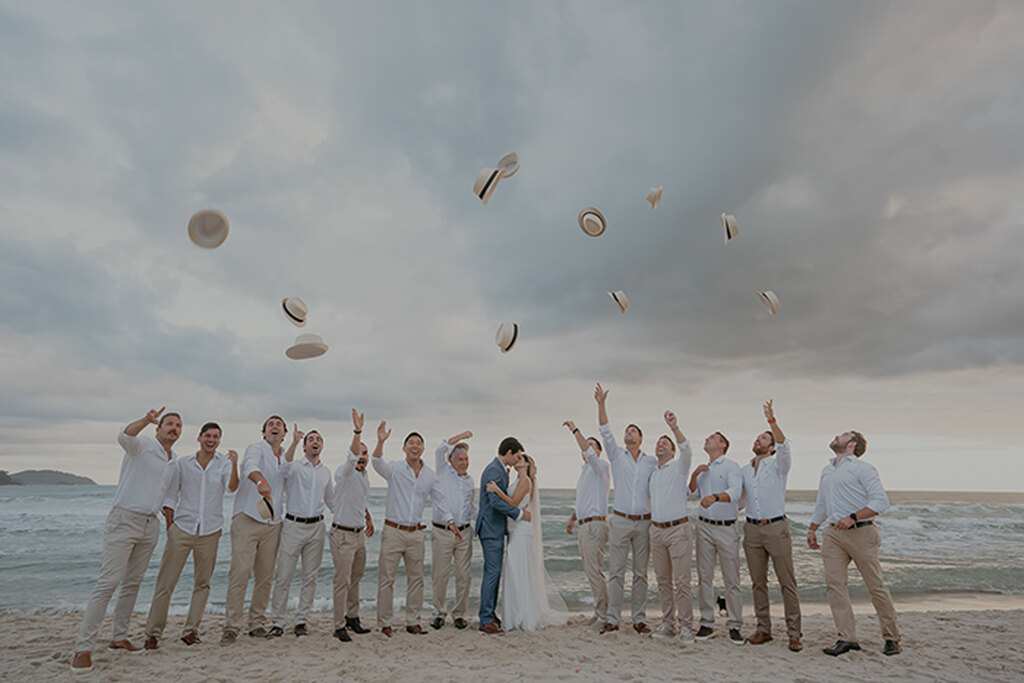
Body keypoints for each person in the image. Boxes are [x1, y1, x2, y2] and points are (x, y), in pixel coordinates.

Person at [72, 407, 180, 673]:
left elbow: (166, 495)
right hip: (125, 519)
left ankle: (119, 638)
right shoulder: (142, 444)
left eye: (178, 426)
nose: (174, 428)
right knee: (108, 582)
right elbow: (124, 435)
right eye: (169, 424)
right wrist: (145, 419)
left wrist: (169, 525)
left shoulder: (173, 459)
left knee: (133, 583)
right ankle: (82, 649)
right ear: (158, 428)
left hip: (149, 524)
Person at [143, 422, 239, 649]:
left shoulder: (224, 464)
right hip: (182, 529)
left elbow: (232, 487)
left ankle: (191, 631)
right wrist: (171, 526)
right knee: (166, 582)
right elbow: (170, 496)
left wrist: (235, 463)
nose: (211, 440)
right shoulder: (182, 463)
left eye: (216, 437)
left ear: (219, 440)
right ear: (199, 437)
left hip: (210, 531)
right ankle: (153, 633)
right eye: (208, 436)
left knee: (203, 584)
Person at [807, 431, 901, 657]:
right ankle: (846, 638)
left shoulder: (863, 468)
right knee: (835, 586)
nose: (836, 436)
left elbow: (881, 501)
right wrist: (812, 528)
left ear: (851, 444)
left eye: (842, 435)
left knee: (875, 585)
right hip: (832, 534)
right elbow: (822, 502)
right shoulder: (827, 469)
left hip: (861, 532)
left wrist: (853, 517)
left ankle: (892, 638)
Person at [221, 416, 292, 643]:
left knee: (265, 577)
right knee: (241, 572)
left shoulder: (287, 459)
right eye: (270, 425)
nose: (274, 427)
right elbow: (249, 466)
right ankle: (232, 626)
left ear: (284, 434)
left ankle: (256, 624)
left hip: (273, 524)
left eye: (278, 425)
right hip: (247, 519)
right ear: (264, 433)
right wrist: (260, 481)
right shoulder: (256, 448)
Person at [739, 401, 803, 651]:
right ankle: (763, 629)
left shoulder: (779, 465)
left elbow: (785, 446)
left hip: (776, 528)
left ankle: (794, 633)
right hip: (751, 529)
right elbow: (740, 501)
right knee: (758, 582)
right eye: (757, 438)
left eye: (764, 438)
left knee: (787, 581)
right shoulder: (745, 470)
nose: (759, 440)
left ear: (772, 447)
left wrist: (771, 421)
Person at [594, 382, 657, 634]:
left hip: (644, 521)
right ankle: (612, 619)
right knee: (616, 572)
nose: (629, 432)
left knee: (641, 573)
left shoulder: (650, 461)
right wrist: (601, 403)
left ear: (640, 438)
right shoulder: (617, 455)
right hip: (620, 520)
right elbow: (604, 431)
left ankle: (639, 619)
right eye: (627, 430)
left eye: (633, 430)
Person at [486, 453, 568, 630]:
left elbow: (514, 502)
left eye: (520, 460)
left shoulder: (526, 481)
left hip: (522, 531)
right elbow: (515, 504)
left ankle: (522, 615)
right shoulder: (516, 480)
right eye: (516, 458)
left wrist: (497, 490)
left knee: (518, 570)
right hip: (516, 529)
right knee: (516, 571)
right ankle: (517, 613)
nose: (517, 461)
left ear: (526, 464)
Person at [371, 421, 436, 636]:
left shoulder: (429, 475)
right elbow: (376, 461)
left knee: (416, 580)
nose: (415, 446)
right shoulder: (395, 469)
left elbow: (440, 499)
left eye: (418, 443)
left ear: (423, 448)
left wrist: (451, 520)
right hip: (393, 531)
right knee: (386, 578)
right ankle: (385, 623)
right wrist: (380, 441)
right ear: (404, 448)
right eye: (411, 443)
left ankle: (413, 621)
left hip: (416, 533)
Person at [268, 425, 333, 637]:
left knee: (309, 577)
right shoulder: (294, 466)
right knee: (284, 575)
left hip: (317, 527)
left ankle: (301, 620)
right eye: (311, 439)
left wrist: (356, 516)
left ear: (322, 445)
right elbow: (283, 468)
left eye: (318, 440)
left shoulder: (325, 472)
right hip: (293, 526)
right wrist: (294, 441)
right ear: (305, 446)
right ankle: (277, 622)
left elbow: (331, 500)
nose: (315, 442)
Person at [688, 429, 744, 644]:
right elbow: (692, 494)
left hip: (726, 528)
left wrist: (715, 497)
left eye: (712, 437)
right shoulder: (704, 469)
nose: (707, 438)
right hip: (703, 527)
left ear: (722, 445)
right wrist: (694, 475)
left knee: (732, 578)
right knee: (704, 577)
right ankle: (707, 622)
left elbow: (735, 492)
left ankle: (735, 625)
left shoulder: (731, 467)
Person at [647, 411, 695, 644]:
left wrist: (674, 428)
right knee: (663, 581)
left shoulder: (679, 467)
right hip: (656, 531)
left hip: (678, 531)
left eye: (665, 443)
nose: (661, 445)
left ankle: (686, 627)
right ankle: (668, 624)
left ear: (672, 451)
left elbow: (687, 449)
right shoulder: (653, 473)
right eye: (658, 442)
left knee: (682, 581)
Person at [327, 409, 375, 643]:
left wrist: (368, 517)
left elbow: (358, 500)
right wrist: (357, 431)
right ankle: (338, 626)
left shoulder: (365, 476)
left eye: (365, 453)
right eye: (359, 453)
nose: (362, 457)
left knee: (355, 579)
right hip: (343, 536)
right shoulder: (344, 472)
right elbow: (351, 456)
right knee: (342, 581)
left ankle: (352, 617)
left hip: (358, 536)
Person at [476, 437, 530, 634]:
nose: (517, 460)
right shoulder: (494, 470)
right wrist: (519, 514)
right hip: (491, 529)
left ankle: (489, 614)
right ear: (508, 452)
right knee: (492, 573)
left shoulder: (501, 470)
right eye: (516, 456)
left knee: (494, 572)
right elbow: (494, 502)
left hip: (496, 528)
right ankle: (485, 619)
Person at [563, 420, 610, 629]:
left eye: (592, 445)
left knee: (594, 570)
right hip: (584, 525)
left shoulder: (600, 467)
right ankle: (600, 612)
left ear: (598, 451)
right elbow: (585, 501)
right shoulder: (584, 474)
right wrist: (574, 518)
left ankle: (604, 616)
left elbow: (587, 451)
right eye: (586, 445)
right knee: (590, 570)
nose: (587, 448)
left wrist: (575, 430)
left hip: (595, 526)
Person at [429, 430, 477, 630]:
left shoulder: (469, 481)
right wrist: (461, 437)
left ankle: (459, 614)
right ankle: (439, 613)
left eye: (466, 459)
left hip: (464, 533)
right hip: (442, 532)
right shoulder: (442, 472)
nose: (464, 462)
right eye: (460, 459)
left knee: (463, 576)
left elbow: (472, 508)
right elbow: (440, 448)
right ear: (451, 460)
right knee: (440, 575)